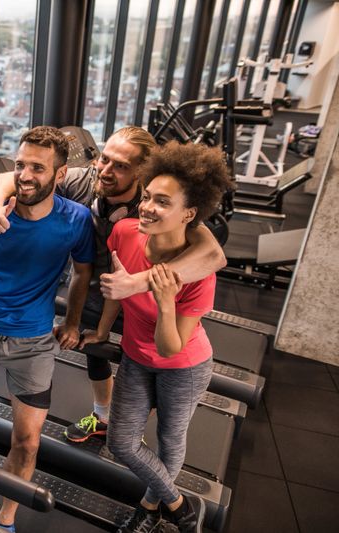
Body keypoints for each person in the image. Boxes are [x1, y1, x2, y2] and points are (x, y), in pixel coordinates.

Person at [0, 126, 226, 443]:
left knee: (144, 362)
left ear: (143, 171)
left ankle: (130, 418)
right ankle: (102, 415)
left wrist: (136, 283)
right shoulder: (83, 179)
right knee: (95, 352)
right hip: (97, 288)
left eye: (121, 166)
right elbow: (9, 178)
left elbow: (213, 254)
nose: (106, 170)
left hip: (145, 295)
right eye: (104, 159)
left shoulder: (154, 201)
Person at [78, 142, 234, 533]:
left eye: (162, 202)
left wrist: (165, 303)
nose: (147, 206)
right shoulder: (126, 232)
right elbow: (117, 289)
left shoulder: (201, 275)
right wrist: (101, 329)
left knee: (169, 439)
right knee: (122, 442)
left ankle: (151, 505)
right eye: (147, 196)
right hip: (135, 358)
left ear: (189, 213)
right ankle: (181, 505)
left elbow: (171, 346)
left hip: (183, 365)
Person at [0, 126, 95, 532]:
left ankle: (6, 518)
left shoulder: (75, 220)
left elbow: (83, 272)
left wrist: (72, 321)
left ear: (60, 176)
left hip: (34, 343)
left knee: (28, 442)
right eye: (20, 164)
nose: (24, 174)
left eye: (37, 168)